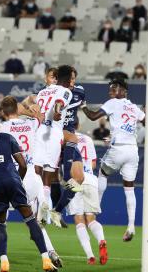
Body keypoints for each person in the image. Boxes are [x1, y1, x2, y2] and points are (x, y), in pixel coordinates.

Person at [0, 97, 62, 268]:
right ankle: (50, 252)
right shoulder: (31, 124)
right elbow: (40, 115)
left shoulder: (0, 129)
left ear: (2, 112)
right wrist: (27, 107)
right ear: (17, 108)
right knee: (32, 219)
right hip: (32, 177)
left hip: (9, 175)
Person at [81, 79, 145, 241]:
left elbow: (93, 116)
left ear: (123, 91)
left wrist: (82, 106)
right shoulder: (134, 107)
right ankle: (131, 226)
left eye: (114, 88)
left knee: (102, 174)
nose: (110, 92)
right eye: (110, 89)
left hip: (118, 150)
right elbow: (147, 121)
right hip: (132, 150)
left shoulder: (113, 103)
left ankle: (95, 209)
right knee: (129, 188)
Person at [32, 66, 78, 225]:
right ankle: (43, 209)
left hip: (39, 131)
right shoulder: (66, 91)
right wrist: (57, 112)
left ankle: (39, 209)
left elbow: (37, 109)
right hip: (53, 132)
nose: (73, 81)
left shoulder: (42, 92)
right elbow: (59, 103)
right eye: (72, 78)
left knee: (36, 171)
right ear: (66, 79)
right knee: (49, 174)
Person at [49, 68, 87, 228]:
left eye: (74, 78)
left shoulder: (79, 92)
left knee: (79, 178)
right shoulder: (52, 93)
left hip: (69, 137)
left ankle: (56, 211)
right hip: (54, 137)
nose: (73, 81)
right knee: (49, 180)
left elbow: (83, 111)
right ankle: (41, 219)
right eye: (71, 78)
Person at [67, 122, 108, 265]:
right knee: (91, 219)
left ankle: (90, 256)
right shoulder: (88, 139)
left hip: (74, 179)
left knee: (79, 220)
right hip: (90, 179)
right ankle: (101, 240)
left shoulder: (65, 139)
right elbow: (93, 164)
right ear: (78, 125)